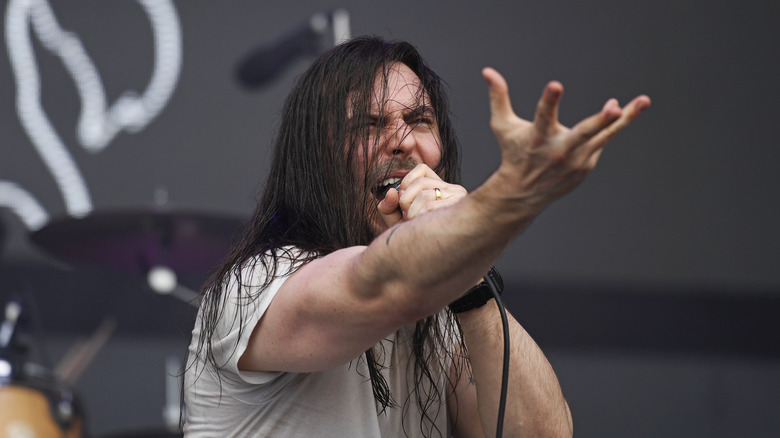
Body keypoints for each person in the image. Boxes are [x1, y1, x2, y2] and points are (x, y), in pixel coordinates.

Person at [183, 35, 650, 437]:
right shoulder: (260, 286)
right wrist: (507, 198)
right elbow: (378, 284)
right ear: (316, 162)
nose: (403, 142)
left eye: (419, 120)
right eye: (368, 125)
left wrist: (469, 280)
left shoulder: (443, 315)